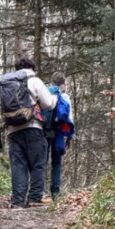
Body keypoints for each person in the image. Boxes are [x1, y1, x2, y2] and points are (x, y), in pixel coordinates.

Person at [0, 55, 57, 207]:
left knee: (18, 165)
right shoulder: (33, 79)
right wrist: (55, 98)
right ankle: (35, 196)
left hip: (12, 129)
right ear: (32, 68)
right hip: (32, 126)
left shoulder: (8, 82)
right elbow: (48, 104)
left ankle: (18, 200)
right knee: (38, 162)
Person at [43, 73, 75, 201]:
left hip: (45, 131)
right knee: (56, 163)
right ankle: (55, 193)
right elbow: (69, 118)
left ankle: (39, 191)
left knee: (42, 161)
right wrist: (70, 136)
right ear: (63, 84)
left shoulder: (45, 93)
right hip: (59, 132)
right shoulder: (65, 97)